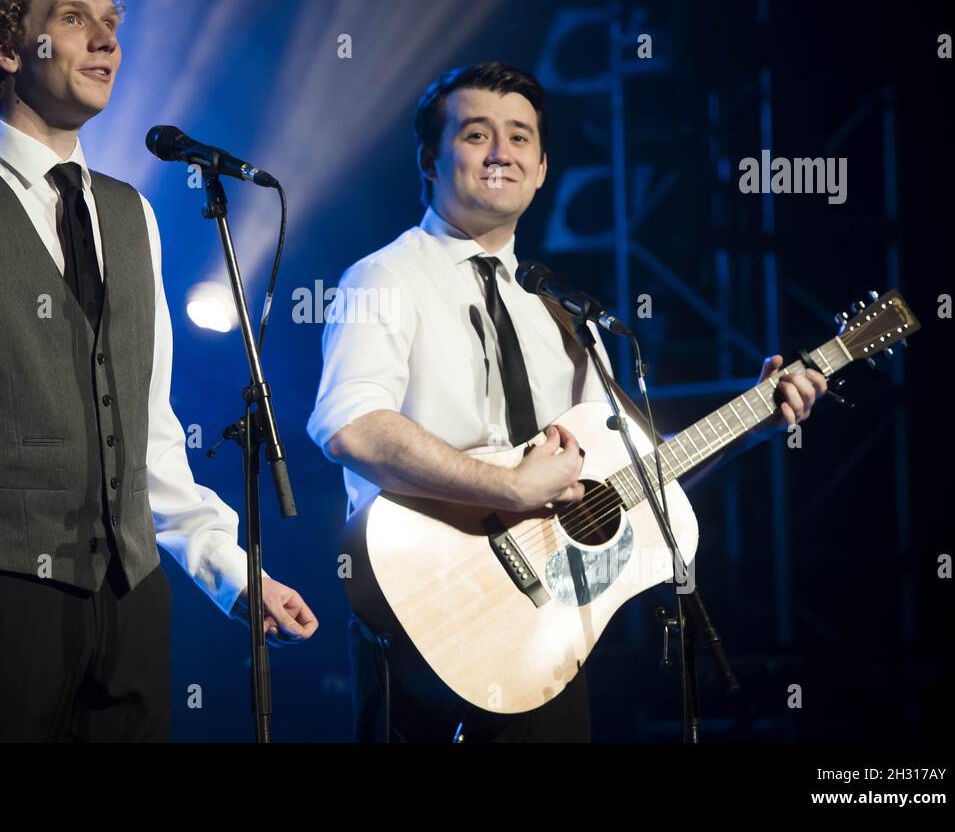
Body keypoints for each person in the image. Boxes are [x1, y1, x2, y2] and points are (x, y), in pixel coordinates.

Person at [0, 0, 316, 742]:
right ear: (3, 46)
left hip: (131, 604)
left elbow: (150, 432)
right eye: (72, 19)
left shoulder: (131, 212)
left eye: (110, 22)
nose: (106, 38)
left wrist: (232, 571)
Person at [307, 62, 824, 742]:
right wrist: (510, 484)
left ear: (544, 167)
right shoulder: (383, 278)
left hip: (545, 632)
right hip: (424, 613)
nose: (501, 153)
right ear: (429, 159)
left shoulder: (566, 312)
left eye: (520, 137)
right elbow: (351, 427)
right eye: (476, 134)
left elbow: (633, 485)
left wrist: (756, 423)